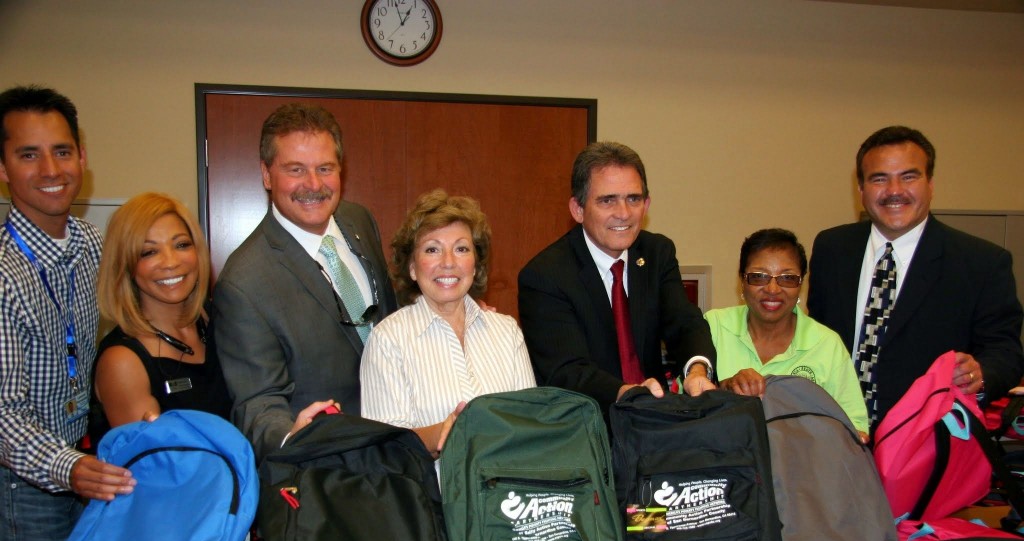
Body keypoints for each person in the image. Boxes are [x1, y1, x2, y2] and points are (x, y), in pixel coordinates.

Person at [0, 85, 135, 541]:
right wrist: (70, 468)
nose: (50, 170)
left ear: (82, 157)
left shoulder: (86, 246)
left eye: (61, 151)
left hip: (81, 475)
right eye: (29, 155)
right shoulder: (4, 273)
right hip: (20, 491)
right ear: (2, 168)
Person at [808, 125, 1024, 432]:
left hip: (928, 441)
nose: (894, 190)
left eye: (909, 176)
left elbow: (1006, 352)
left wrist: (981, 373)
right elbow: (816, 335)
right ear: (861, 190)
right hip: (838, 435)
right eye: (879, 178)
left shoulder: (982, 262)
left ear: (930, 184)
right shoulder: (832, 248)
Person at [213, 103, 397, 460]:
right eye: (295, 170)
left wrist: (449, 307)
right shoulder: (244, 283)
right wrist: (288, 437)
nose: (313, 185)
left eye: (325, 168)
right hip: (327, 467)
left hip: (398, 444)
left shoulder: (359, 221)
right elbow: (257, 402)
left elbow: (390, 313)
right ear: (267, 174)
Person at [518, 141, 716, 417]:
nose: (623, 213)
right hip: (587, 428)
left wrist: (696, 371)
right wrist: (626, 392)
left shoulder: (657, 253)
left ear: (647, 204)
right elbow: (567, 371)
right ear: (577, 209)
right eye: (607, 200)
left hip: (654, 425)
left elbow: (685, 324)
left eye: (633, 199)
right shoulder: (545, 275)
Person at [361, 189, 536, 455]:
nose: (448, 263)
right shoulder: (388, 340)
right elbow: (384, 450)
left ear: (475, 265)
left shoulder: (507, 331)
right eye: (433, 249)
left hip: (508, 492)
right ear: (411, 267)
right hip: (430, 494)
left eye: (461, 249)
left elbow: (531, 427)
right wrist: (446, 433)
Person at [90, 192, 231, 442]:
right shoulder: (123, 362)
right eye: (148, 252)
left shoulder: (214, 317)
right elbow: (159, 469)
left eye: (181, 245)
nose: (170, 262)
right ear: (125, 265)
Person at [705, 228, 869, 437]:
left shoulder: (827, 344)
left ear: (801, 284)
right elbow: (684, 402)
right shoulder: (713, 326)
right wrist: (724, 388)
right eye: (759, 277)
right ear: (742, 282)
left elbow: (856, 429)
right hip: (720, 461)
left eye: (787, 278)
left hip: (803, 464)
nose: (773, 289)